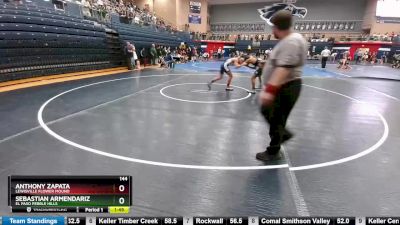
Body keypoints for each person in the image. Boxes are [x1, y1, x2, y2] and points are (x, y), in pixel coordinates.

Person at [257, 10, 307, 161]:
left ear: (277, 27)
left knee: (275, 116)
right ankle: (281, 136)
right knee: (274, 115)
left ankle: (273, 150)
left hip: (285, 86)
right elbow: (279, 63)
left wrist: (270, 90)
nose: (273, 31)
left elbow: (284, 68)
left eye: (273, 28)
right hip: (285, 85)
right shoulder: (292, 40)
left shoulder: (290, 42)